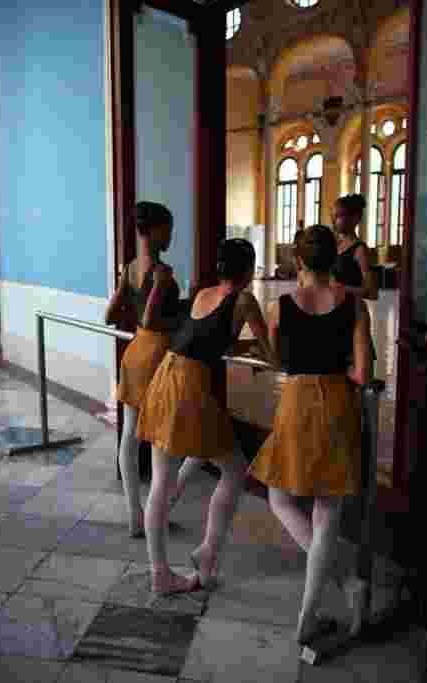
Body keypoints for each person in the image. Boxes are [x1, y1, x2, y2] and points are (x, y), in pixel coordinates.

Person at [248, 224, 371, 646]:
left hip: (297, 402)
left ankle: (331, 595)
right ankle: (320, 603)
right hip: (338, 400)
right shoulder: (353, 305)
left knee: (279, 497)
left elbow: (279, 361)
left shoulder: (281, 306)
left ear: (298, 261)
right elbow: (363, 373)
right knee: (327, 513)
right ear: (332, 260)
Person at [135, 238, 276, 596]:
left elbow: (207, 337)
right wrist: (265, 353)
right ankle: (208, 549)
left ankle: (160, 572)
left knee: (161, 482)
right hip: (190, 388)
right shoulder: (244, 299)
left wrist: (240, 348)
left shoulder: (202, 293)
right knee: (234, 469)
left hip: (166, 376)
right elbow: (272, 355)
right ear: (248, 269)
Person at [104, 202, 203, 538]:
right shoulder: (161, 272)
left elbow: (111, 314)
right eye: (169, 229)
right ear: (155, 230)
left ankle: (136, 514)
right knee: (163, 440)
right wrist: (185, 309)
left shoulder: (130, 268)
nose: (171, 235)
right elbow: (150, 318)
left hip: (134, 353)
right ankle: (156, 515)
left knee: (130, 434)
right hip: (157, 355)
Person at [331, 194, 377, 369]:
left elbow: (372, 291)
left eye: (340, 216)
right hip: (334, 315)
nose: (335, 221)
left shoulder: (360, 250)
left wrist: (342, 288)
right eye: (333, 216)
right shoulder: (335, 247)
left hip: (353, 317)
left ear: (355, 218)